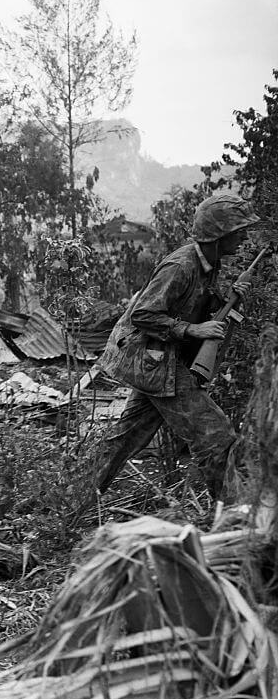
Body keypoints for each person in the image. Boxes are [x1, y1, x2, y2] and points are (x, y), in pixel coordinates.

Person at [94, 193, 261, 499]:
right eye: (239, 230)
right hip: (152, 360)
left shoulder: (208, 264)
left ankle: (71, 499)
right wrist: (192, 330)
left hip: (159, 362)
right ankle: (231, 514)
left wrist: (229, 298)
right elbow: (143, 314)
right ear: (219, 234)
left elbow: (193, 307)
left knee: (125, 439)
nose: (244, 237)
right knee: (215, 436)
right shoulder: (181, 265)